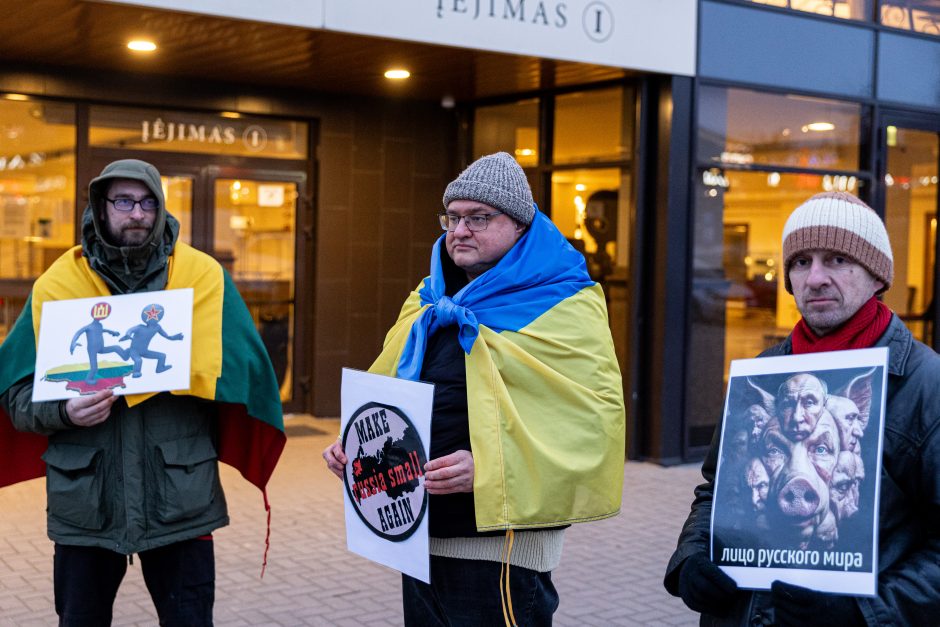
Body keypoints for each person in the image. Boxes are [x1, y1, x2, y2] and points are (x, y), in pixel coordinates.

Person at [323, 152, 626, 625]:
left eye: (479, 218)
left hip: (502, 548)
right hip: (419, 533)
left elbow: (591, 424)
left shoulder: (564, 302)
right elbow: (388, 389)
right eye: (453, 217)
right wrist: (355, 444)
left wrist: (489, 468)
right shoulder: (429, 298)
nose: (459, 230)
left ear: (521, 227)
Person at [0, 159, 286, 626]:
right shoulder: (58, 285)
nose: (138, 213)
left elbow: (244, 372)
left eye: (148, 201)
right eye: (124, 201)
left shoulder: (200, 279)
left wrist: (194, 369)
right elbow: (15, 397)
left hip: (180, 499)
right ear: (101, 206)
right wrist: (65, 410)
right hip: (86, 506)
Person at [664, 191, 940, 626]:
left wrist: (862, 612)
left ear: (876, 276)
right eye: (800, 262)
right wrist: (693, 557)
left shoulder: (925, 383)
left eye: (836, 260)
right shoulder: (765, 373)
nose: (814, 278)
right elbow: (717, 491)